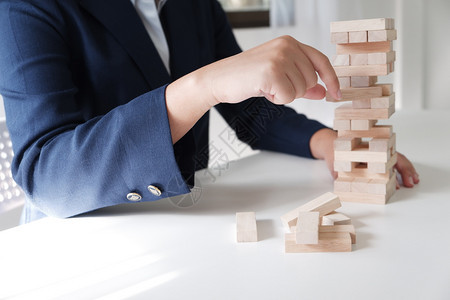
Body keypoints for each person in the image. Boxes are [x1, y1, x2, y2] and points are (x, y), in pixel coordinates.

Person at [0, 0, 418, 223]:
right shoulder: (26, 6)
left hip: (185, 226)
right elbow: (45, 174)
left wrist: (328, 142)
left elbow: (250, 107)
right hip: (75, 238)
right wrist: (204, 86)